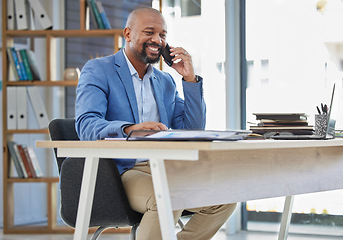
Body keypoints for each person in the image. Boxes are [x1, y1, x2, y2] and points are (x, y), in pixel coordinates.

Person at [75, 7, 236, 240]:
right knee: (168, 195)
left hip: (166, 168)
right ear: (128, 34)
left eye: (162, 35)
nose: (157, 40)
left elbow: (192, 130)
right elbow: (86, 125)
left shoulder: (165, 81)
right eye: (149, 32)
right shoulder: (99, 70)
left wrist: (189, 79)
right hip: (121, 171)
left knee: (226, 196)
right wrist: (129, 129)